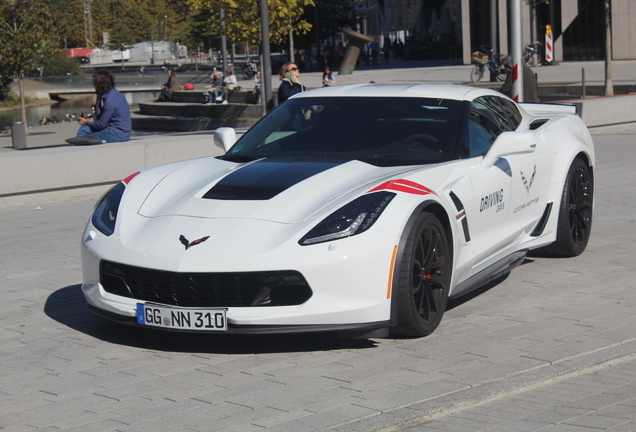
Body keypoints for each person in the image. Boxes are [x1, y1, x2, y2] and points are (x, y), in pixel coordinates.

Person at [75, 71, 131, 143]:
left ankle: (76, 150)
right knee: (84, 129)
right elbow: (99, 119)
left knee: (85, 135)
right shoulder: (113, 94)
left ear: (99, 84)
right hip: (112, 130)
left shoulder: (110, 101)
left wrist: (86, 122)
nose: (94, 86)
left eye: (94, 83)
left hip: (117, 134)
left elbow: (101, 124)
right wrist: (97, 102)